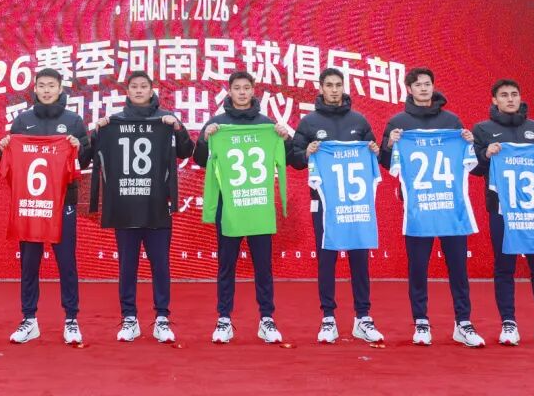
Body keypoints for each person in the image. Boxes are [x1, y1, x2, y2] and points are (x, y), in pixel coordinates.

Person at [380, 67, 484, 348]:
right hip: (419, 208)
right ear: (409, 89)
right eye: (418, 84)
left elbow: (471, 163)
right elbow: (387, 163)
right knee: (418, 267)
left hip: (451, 207)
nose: (424, 88)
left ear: (433, 86)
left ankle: (463, 322)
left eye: (427, 83)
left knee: (458, 267)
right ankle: (421, 322)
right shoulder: (398, 122)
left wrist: (469, 143)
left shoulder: (451, 121)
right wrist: (390, 144)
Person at [193, 70, 295, 344]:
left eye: (246, 88)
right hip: (229, 207)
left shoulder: (266, 124)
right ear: (229, 91)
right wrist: (205, 139)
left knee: (263, 265)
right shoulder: (217, 124)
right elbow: (201, 160)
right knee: (226, 265)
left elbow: (289, 158)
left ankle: (267, 319)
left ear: (253, 91)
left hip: (258, 204)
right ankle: (224, 319)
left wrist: (285, 138)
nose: (241, 92)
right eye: (237, 88)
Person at [471, 78, 534, 348]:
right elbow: (473, 168)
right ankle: (509, 323)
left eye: (514, 94)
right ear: (494, 100)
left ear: (520, 97)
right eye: (504, 95)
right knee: (504, 266)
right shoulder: (483, 129)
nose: (510, 99)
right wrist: (486, 155)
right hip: (502, 210)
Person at [92, 70, 194, 343]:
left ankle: (162, 318)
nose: (138, 90)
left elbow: (187, 151)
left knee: (160, 265)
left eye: (143, 86)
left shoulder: (165, 119)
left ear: (152, 90)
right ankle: (129, 318)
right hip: (125, 206)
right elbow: (90, 154)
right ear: (127, 92)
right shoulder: (114, 121)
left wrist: (178, 128)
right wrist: (97, 131)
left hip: (157, 204)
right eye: (134, 86)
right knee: (127, 266)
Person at [290, 67, 384, 345]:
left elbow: (374, 154)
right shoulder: (309, 122)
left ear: (343, 87)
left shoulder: (359, 120)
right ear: (320, 88)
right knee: (326, 257)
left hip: (356, 203)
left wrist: (375, 151)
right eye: (329, 85)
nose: (334, 90)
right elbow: (294, 158)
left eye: (338, 85)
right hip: (324, 203)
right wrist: (306, 152)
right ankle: (328, 317)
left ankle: (363, 318)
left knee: (359, 257)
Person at [0, 68, 89, 344]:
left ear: (60, 89)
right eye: (42, 85)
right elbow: (11, 163)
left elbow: (85, 160)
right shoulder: (22, 121)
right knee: (29, 262)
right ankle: (29, 319)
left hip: (63, 202)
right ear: (35, 89)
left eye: (51, 85)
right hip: (31, 204)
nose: (46, 90)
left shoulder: (73, 121)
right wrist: (4, 148)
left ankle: (71, 319)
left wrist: (78, 147)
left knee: (66, 262)